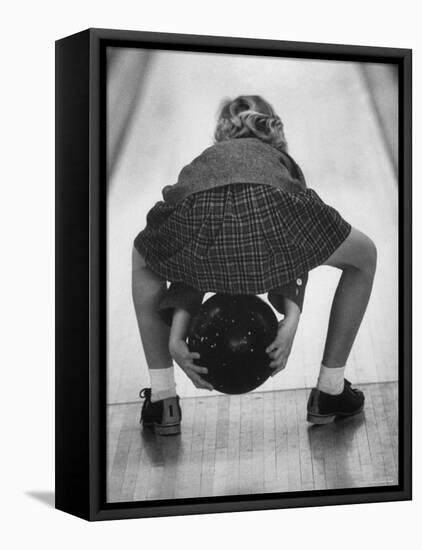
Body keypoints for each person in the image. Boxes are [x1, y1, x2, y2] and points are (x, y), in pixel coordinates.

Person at [132, 95, 377, 435]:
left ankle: (162, 399)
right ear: (272, 129)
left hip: (196, 215)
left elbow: (191, 255)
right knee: (364, 258)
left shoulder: (206, 160)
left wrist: (177, 336)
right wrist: (290, 318)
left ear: (222, 135)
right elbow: (294, 243)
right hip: (273, 210)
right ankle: (331, 390)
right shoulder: (280, 160)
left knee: (143, 257)